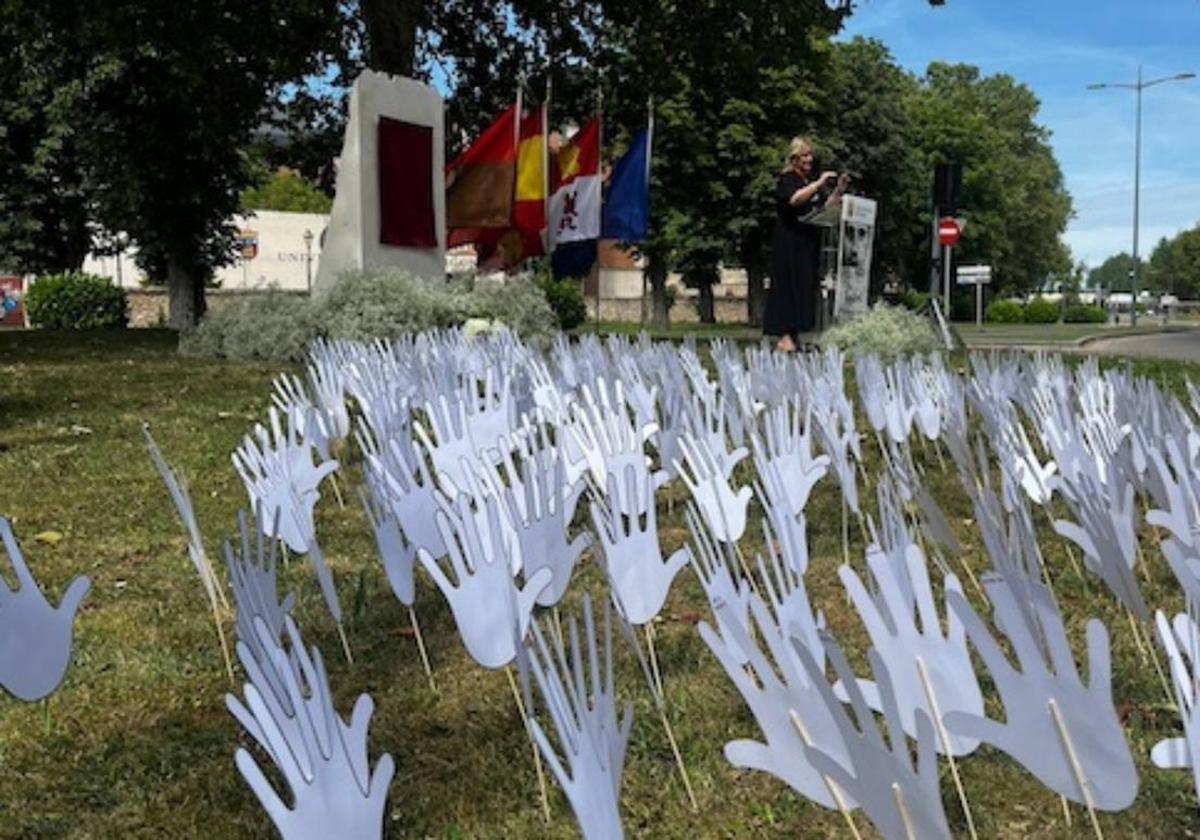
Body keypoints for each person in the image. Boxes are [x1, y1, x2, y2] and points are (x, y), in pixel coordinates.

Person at [764, 137, 849, 351]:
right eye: (805, 155)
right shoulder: (788, 178)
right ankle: (784, 335)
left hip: (807, 240)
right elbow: (794, 200)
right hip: (789, 240)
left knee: (803, 285)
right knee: (788, 284)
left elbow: (822, 207)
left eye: (811, 155)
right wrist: (819, 182)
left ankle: (795, 334)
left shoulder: (807, 181)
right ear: (794, 158)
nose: (809, 160)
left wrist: (838, 191)